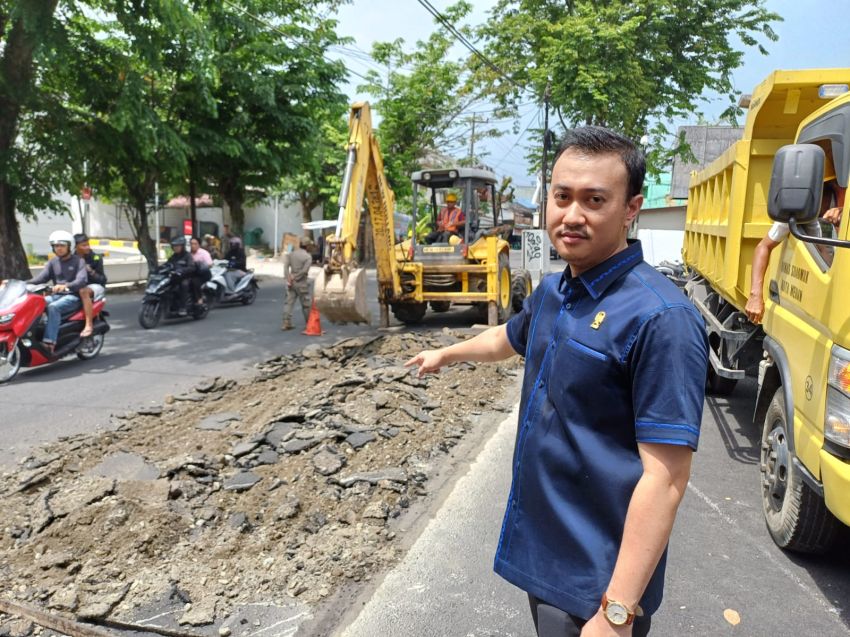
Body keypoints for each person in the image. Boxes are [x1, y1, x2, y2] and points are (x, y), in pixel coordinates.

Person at [406, 127, 708, 637]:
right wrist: (446, 353)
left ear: (631, 209)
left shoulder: (662, 319)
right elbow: (508, 337)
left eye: (595, 200)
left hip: (597, 580)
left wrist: (617, 611)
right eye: (562, 196)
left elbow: (667, 478)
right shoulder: (554, 291)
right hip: (544, 555)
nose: (572, 215)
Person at [745, 178, 844, 324]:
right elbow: (764, 247)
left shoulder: (843, 200)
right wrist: (755, 295)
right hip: (814, 301)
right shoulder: (799, 207)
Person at [27, 231, 88, 352]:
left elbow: (82, 280)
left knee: (53, 307)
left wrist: (66, 286)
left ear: (69, 246)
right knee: (37, 302)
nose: (59, 248)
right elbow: (40, 279)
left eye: (62, 245)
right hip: (57, 295)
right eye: (56, 246)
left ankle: (49, 343)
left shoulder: (78, 261)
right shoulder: (53, 262)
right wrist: (21, 283)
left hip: (73, 296)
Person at [73, 233, 107, 338]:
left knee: (83, 291)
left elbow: (102, 280)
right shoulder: (70, 258)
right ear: (75, 246)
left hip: (93, 287)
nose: (87, 247)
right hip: (74, 287)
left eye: (88, 244)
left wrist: (90, 271)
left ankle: (89, 325)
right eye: (84, 245)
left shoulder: (95, 258)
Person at [281, 237, 312, 331]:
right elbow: (304, 271)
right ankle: (309, 324)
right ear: (307, 246)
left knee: (288, 303)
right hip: (301, 283)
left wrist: (289, 278)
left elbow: (285, 267)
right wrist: (296, 277)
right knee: (306, 305)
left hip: (291, 283)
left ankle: (286, 323)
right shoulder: (307, 257)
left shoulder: (291, 254)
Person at [167, 236, 196, 316]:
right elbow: (167, 265)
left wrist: (182, 270)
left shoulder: (187, 256)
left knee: (184, 285)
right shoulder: (173, 257)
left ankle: (183, 307)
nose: (176, 248)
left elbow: (192, 267)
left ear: (182, 246)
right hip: (175, 277)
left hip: (185, 277)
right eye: (174, 246)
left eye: (178, 246)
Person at [190, 236, 213, 303]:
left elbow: (210, 264)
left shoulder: (204, 253)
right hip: (192, 273)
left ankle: (199, 299)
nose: (193, 245)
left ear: (199, 245)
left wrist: (200, 265)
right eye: (191, 244)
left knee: (195, 282)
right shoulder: (188, 253)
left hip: (203, 274)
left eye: (195, 244)